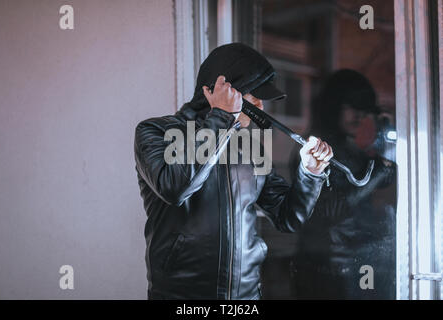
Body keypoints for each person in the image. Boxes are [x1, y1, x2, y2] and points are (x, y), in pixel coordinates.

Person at [134, 43, 333, 300]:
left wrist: (310, 173)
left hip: (246, 298)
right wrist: (221, 118)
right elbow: (175, 187)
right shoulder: (154, 132)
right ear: (222, 91)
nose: (261, 106)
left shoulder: (250, 146)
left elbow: (288, 217)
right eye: (254, 96)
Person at [289, 69, 396, 299]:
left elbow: (385, 175)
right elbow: (331, 209)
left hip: (355, 266)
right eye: (352, 107)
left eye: (364, 110)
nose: (359, 116)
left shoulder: (352, 151)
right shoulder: (314, 151)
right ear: (334, 106)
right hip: (324, 270)